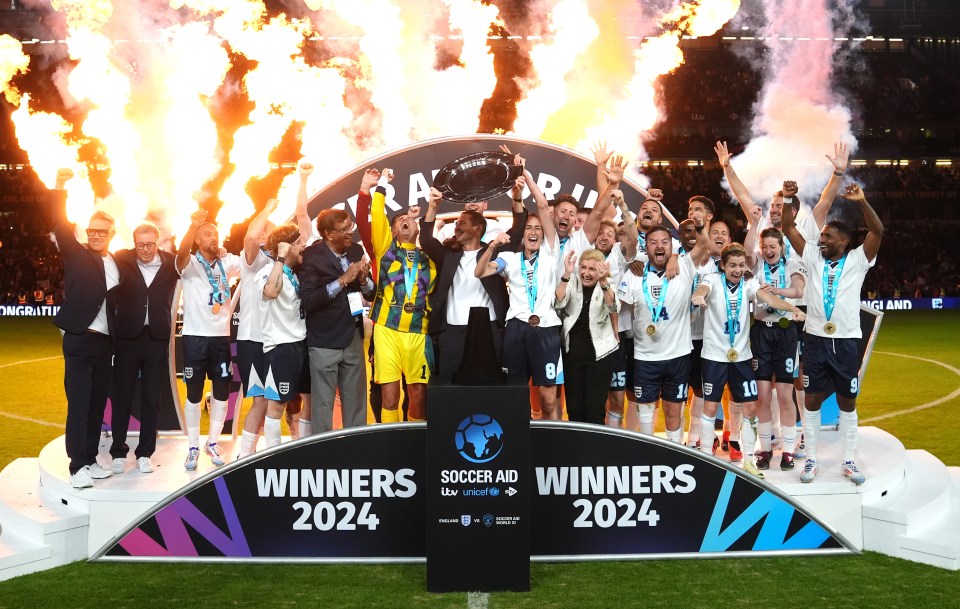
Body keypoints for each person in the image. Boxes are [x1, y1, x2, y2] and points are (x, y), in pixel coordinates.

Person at [782, 183, 883, 485]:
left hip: (846, 342)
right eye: (821, 235)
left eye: (827, 236)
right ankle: (811, 458)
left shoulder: (857, 260)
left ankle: (848, 461)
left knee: (847, 402)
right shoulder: (812, 255)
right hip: (815, 340)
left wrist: (863, 201)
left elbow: (877, 232)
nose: (821, 239)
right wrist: (788, 198)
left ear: (844, 240)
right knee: (811, 400)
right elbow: (787, 227)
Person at [691, 243, 805, 477]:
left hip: (742, 357)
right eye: (732, 265)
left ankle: (750, 460)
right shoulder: (712, 280)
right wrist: (698, 296)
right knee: (711, 407)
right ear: (722, 266)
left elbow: (770, 300)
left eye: (741, 265)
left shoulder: (749, 283)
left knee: (750, 408)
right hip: (714, 356)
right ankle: (706, 458)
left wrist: (792, 309)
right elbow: (701, 290)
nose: (737, 270)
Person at [50, 168, 120, 488]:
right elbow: (60, 225)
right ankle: (77, 465)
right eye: (92, 230)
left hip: (105, 345)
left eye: (101, 232)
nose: (95, 235)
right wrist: (60, 186)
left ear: (111, 234)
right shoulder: (76, 254)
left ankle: (90, 459)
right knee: (79, 403)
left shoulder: (117, 264)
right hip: (79, 339)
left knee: (95, 406)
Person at [476, 165, 563, 419]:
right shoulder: (510, 259)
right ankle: (517, 446)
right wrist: (492, 246)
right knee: (514, 394)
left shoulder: (550, 253)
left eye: (538, 228)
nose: (534, 232)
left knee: (548, 398)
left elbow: (543, 206)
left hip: (546, 328)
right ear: (522, 235)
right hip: (515, 328)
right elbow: (480, 272)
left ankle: (552, 449)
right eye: (529, 228)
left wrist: (527, 176)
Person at [615, 222, 708, 442]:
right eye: (653, 242)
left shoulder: (684, 265)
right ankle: (649, 453)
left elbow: (704, 244)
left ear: (672, 246)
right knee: (645, 411)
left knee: (674, 410)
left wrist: (701, 226)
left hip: (678, 355)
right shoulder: (635, 274)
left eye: (665, 242)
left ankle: (674, 454)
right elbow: (617, 307)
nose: (659, 246)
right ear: (645, 248)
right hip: (645, 356)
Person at [368, 169, 438, 422]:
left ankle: (415, 445)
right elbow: (377, 214)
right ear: (393, 230)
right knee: (390, 396)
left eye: (410, 220)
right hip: (387, 330)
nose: (405, 222)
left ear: (418, 227)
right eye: (400, 221)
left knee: (418, 394)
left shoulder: (430, 259)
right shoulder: (386, 251)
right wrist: (383, 183)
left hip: (419, 331)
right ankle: (391, 445)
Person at [420, 187, 510, 383]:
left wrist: (518, 198)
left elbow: (518, 231)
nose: (456, 227)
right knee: (449, 389)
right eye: (456, 224)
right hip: (452, 333)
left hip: (487, 330)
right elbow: (426, 240)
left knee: (489, 387)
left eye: (462, 223)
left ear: (477, 228)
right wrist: (433, 207)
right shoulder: (447, 255)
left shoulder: (493, 254)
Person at [109, 223, 179, 474]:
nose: (146, 249)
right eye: (141, 244)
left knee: (152, 398)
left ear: (158, 243)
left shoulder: (172, 262)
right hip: (127, 338)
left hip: (157, 338)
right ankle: (118, 451)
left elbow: (195, 261)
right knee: (122, 396)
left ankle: (145, 453)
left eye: (150, 244)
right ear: (134, 242)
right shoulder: (121, 259)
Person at [175, 207, 241, 471]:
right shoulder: (190, 264)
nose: (213, 237)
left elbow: (249, 260)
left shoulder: (227, 263)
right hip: (194, 338)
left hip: (220, 339)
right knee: (193, 392)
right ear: (197, 241)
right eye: (206, 234)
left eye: (215, 233)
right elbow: (180, 255)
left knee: (222, 391)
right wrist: (192, 226)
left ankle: (212, 442)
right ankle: (192, 445)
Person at [300, 205, 374, 434]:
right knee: (323, 404)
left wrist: (362, 280)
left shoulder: (355, 251)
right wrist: (342, 280)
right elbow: (310, 300)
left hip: (352, 336)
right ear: (328, 234)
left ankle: (355, 448)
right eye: (343, 229)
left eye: (349, 226)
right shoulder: (312, 256)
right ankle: (322, 454)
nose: (349, 232)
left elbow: (371, 292)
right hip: (324, 340)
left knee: (356, 402)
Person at [744, 216, 806, 471]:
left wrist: (776, 294)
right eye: (765, 246)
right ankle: (766, 448)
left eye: (773, 246)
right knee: (762, 395)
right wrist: (753, 222)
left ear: (781, 247)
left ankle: (789, 450)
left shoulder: (792, 263)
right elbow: (747, 250)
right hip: (761, 333)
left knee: (784, 394)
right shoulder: (756, 262)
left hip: (785, 333)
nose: (769, 251)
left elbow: (799, 290)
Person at [256, 225, 309, 447]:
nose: (302, 247)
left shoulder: (295, 274)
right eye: (298, 244)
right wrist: (280, 258)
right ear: (286, 248)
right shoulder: (267, 272)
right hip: (281, 346)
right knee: (277, 404)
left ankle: (305, 449)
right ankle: (273, 457)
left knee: (308, 399)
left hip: (301, 343)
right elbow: (271, 292)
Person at [555, 248, 619, 424]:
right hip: (572, 355)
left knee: (594, 410)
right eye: (583, 268)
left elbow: (613, 307)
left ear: (600, 270)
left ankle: (597, 451)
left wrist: (604, 281)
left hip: (600, 356)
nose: (586, 273)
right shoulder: (572, 281)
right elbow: (558, 302)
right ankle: (576, 450)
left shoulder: (607, 283)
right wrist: (566, 274)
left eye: (592, 269)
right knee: (574, 410)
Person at [234, 199, 277, 459]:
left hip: (278, 341)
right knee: (260, 400)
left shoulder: (282, 261)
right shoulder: (253, 259)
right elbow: (250, 236)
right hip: (252, 340)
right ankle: (245, 455)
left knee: (279, 401)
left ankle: (276, 453)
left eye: (268, 230)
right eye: (262, 230)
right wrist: (268, 209)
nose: (262, 233)